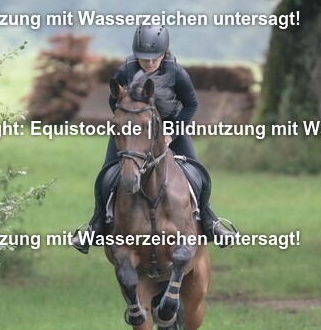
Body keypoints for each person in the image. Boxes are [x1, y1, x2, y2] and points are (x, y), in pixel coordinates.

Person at [73, 24, 239, 253]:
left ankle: (211, 222)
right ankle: (97, 224)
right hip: (133, 131)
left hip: (170, 126)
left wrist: (172, 131)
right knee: (105, 176)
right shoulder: (125, 72)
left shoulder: (177, 73)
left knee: (199, 174)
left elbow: (191, 104)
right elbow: (114, 101)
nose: (150, 62)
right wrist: (128, 126)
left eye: (155, 57)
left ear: (164, 52)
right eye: (144, 57)